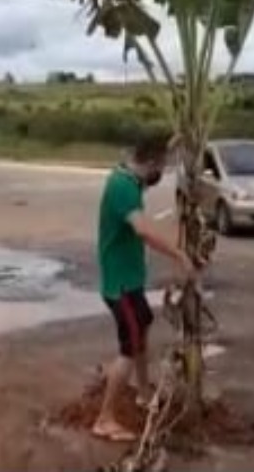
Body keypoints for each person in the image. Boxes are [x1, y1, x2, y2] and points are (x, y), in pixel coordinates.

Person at [91, 132, 197, 443]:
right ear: (149, 163)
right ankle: (104, 419)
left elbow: (155, 150)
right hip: (121, 285)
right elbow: (143, 230)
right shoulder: (124, 188)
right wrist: (179, 255)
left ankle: (143, 391)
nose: (160, 174)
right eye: (160, 167)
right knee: (129, 349)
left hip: (130, 281)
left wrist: (175, 141)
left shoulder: (128, 175)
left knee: (143, 327)